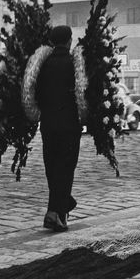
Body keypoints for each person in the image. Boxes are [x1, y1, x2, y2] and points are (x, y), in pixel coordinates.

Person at [35, 25, 81, 233]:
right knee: (65, 167)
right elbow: (82, 92)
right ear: (69, 41)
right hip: (69, 123)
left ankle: (59, 209)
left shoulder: (41, 64)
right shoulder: (74, 64)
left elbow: (33, 91)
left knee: (52, 166)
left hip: (47, 123)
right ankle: (56, 213)